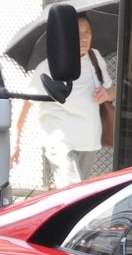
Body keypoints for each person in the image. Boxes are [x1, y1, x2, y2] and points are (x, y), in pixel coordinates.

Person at [11, 13, 116, 189]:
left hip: (89, 139)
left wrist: (106, 94)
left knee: (77, 193)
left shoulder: (95, 58)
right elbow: (26, 102)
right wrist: (16, 142)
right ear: (66, 36)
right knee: (72, 189)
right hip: (59, 140)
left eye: (87, 32)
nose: (83, 38)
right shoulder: (49, 66)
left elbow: (113, 89)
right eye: (77, 32)